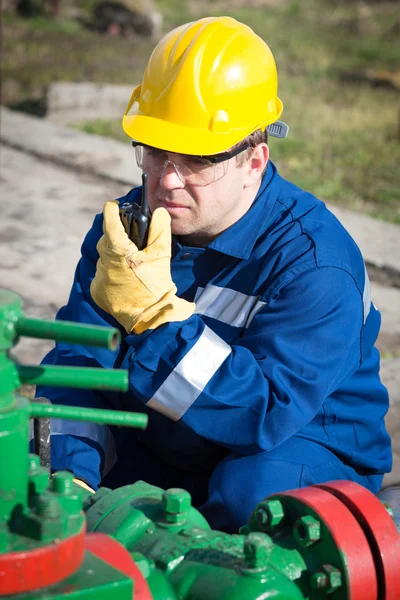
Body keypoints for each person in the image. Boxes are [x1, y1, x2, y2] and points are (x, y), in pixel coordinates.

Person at [37, 16, 392, 533]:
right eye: (155, 151)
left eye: (197, 159)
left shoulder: (314, 264)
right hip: (171, 433)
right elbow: (78, 363)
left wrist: (156, 323)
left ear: (255, 159)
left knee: (251, 499)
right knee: (37, 465)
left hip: (297, 448)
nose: (167, 180)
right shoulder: (126, 233)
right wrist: (70, 486)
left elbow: (263, 414)